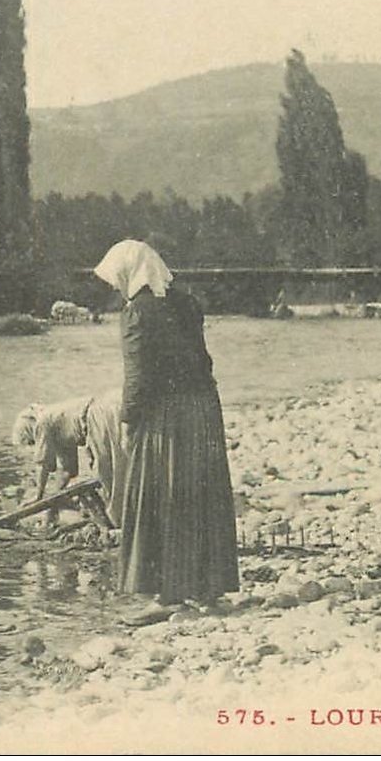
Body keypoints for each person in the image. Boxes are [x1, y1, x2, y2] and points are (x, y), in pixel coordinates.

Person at [93, 239, 239, 624]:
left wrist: (127, 422)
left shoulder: (137, 313)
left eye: (115, 279)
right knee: (202, 496)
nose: (114, 287)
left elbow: (138, 377)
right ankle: (208, 590)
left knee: (163, 496)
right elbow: (204, 361)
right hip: (204, 410)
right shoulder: (187, 303)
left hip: (166, 417)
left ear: (128, 273)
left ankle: (168, 594)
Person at [10, 394, 127, 522]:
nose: (35, 444)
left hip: (97, 416)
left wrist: (39, 495)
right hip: (102, 411)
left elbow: (42, 464)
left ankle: (118, 520)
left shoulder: (41, 423)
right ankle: (119, 514)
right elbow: (68, 471)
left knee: (108, 471)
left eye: (32, 442)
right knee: (117, 468)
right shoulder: (58, 428)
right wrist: (52, 502)